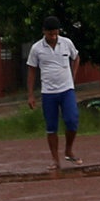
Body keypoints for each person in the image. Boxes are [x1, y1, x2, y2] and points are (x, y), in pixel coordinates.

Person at [26, 20, 84, 174]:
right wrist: (31, 95)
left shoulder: (67, 43)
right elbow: (31, 71)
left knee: (72, 120)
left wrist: (73, 76)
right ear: (44, 32)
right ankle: (55, 159)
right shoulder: (36, 48)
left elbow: (76, 58)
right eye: (50, 33)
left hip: (67, 90)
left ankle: (68, 151)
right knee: (51, 127)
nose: (53, 37)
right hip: (48, 93)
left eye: (55, 33)